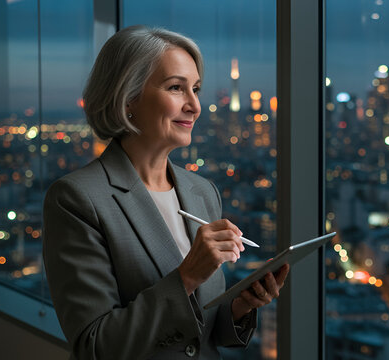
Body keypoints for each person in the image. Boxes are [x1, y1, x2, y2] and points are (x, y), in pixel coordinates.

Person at [42, 25, 289, 360]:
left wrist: (240, 305)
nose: (195, 106)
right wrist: (186, 276)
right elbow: (94, 346)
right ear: (127, 97)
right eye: (176, 88)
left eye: (196, 89)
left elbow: (197, 331)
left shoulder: (202, 191)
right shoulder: (77, 199)